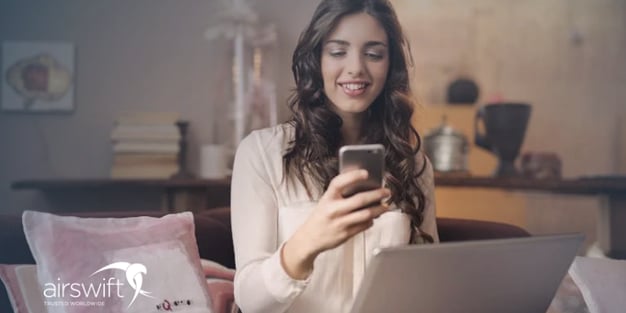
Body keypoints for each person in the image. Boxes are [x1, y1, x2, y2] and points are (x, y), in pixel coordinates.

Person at [230, 0, 438, 312]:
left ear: (390, 64)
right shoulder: (261, 153)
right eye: (338, 51)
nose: (356, 67)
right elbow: (249, 300)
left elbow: (428, 281)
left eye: (373, 53)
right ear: (316, 60)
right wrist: (308, 243)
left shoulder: (413, 162)